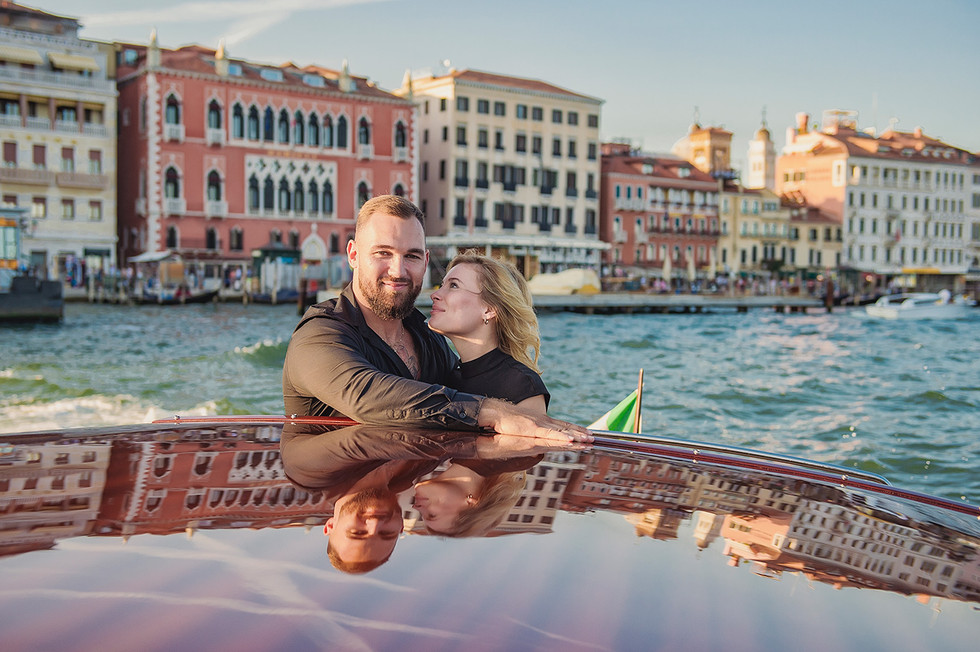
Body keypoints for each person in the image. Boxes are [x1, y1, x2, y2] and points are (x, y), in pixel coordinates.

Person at [282, 194, 591, 444]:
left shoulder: (430, 340)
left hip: (402, 513)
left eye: (412, 256)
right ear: (353, 256)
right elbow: (365, 394)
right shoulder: (319, 334)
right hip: (343, 509)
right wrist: (491, 411)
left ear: (426, 261)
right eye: (382, 253)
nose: (398, 270)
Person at [428, 251, 548, 414]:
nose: (435, 294)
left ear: (489, 309)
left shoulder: (522, 386)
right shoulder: (444, 378)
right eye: (442, 285)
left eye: (454, 285)